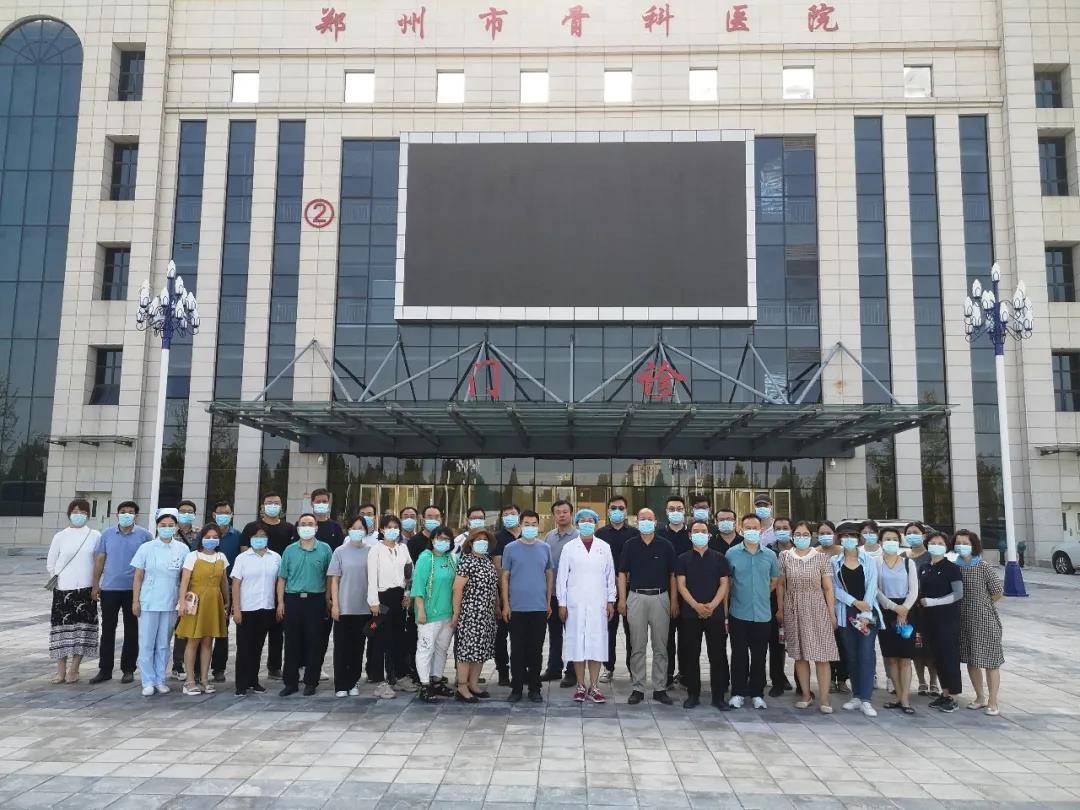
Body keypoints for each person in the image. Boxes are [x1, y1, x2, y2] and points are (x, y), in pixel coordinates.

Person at [617, 507, 676, 705]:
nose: (646, 522)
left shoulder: (665, 545)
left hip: (661, 597)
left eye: (649, 518)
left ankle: (660, 688)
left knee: (661, 646)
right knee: (637, 645)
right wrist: (623, 600)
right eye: (642, 518)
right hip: (636, 597)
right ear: (636, 521)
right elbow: (622, 573)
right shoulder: (630, 545)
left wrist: (674, 600)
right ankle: (638, 688)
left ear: (655, 520)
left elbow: (672, 575)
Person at [89, 500, 152, 684]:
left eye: (130, 512)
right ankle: (105, 669)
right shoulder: (107, 534)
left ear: (136, 515)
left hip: (133, 591)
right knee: (107, 629)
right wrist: (95, 584)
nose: (126, 514)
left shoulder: (145, 536)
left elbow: (149, 563)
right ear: (117, 514)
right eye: (123, 511)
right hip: (109, 589)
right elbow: (100, 560)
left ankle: (128, 669)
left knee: (132, 630)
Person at [557, 509, 616, 704]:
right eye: (583, 520)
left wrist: (610, 601)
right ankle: (581, 685)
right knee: (577, 643)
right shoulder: (569, 548)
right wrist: (562, 603)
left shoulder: (604, 547)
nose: (587, 523)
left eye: (591, 520)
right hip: (575, 603)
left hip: (598, 603)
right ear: (577, 523)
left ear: (597, 523)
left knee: (596, 643)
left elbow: (610, 576)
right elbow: (562, 578)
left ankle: (594, 686)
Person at [777, 520, 837, 713]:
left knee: (821, 656)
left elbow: (828, 587)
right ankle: (805, 694)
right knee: (800, 655)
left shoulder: (820, 557)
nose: (801, 538)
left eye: (805, 534)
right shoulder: (785, 556)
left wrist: (831, 612)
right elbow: (780, 584)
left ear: (811, 536)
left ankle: (825, 699)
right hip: (793, 607)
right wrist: (781, 607)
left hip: (817, 607)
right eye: (798, 534)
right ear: (792, 536)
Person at [725, 513, 780, 709]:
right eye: (747, 527)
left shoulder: (770, 555)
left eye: (755, 527)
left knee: (759, 655)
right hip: (739, 613)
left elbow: (775, 580)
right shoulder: (732, 554)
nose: (751, 531)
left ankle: (757, 692)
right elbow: (727, 583)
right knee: (739, 655)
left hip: (763, 614)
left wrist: (761, 592)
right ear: (741, 529)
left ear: (761, 530)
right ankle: (738, 692)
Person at [675, 519, 731, 710]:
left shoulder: (720, 558)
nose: (700, 534)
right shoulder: (682, 558)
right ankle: (693, 694)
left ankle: (718, 696)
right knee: (692, 654)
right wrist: (696, 606)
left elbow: (724, 583)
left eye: (703, 531)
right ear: (690, 535)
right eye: (696, 531)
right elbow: (681, 585)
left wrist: (713, 605)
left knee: (718, 655)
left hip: (714, 614)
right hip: (690, 614)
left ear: (709, 535)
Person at [131, 511, 188, 696]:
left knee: (164, 643)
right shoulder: (146, 548)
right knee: (147, 643)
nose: (167, 528)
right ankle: (147, 681)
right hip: (148, 602)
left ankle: (160, 679)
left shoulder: (182, 549)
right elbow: (138, 577)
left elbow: (184, 578)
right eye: (163, 525)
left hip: (170, 603)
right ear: (157, 526)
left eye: (171, 525)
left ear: (176, 527)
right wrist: (135, 600)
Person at [276, 513, 332, 696]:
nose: (307, 527)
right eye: (303, 524)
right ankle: (290, 682)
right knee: (292, 643)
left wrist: (329, 599)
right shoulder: (290, 550)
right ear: (298, 527)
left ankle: (311, 681)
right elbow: (282, 578)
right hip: (293, 600)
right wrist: (280, 602)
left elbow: (329, 577)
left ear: (316, 527)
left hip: (316, 600)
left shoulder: (325, 549)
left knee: (315, 642)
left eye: (310, 524)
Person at [46, 498, 101, 684]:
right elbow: (51, 562)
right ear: (69, 513)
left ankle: (74, 669)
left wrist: (96, 584)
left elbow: (99, 561)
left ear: (88, 514)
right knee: (61, 631)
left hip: (86, 590)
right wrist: (58, 579)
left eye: (83, 512)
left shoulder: (95, 535)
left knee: (83, 631)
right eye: (75, 512)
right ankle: (60, 671)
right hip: (63, 590)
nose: (79, 515)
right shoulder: (60, 536)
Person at [500, 510, 553, 703]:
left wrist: (548, 602)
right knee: (517, 650)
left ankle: (534, 688)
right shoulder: (511, 548)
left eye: (533, 524)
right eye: (526, 524)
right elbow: (505, 577)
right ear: (520, 525)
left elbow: (549, 575)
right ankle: (516, 688)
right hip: (517, 608)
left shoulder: (545, 548)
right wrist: (506, 604)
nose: (530, 527)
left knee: (535, 650)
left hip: (539, 608)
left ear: (538, 526)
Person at [241, 492, 294, 680]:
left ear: (282, 505)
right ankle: (248, 670)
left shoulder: (288, 528)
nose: (273, 505)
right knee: (253, 633)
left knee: (278, 629)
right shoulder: (253, 527)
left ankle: (274, 666)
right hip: (255, 586)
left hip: (280, 583)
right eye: (269, 502)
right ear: (262, 506)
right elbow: (244, 552)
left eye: (276, 502)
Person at [831, 530, 884, 717]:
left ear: (858, 540)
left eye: (852, 537)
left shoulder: (868, 560)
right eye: (844, 537)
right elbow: (834, 588)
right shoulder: (834, 561)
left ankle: (867, 699)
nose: (848, 540)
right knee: (851, 655)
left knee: (866, 654)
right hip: (846, 612)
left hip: (867, 613)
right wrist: (854, 602)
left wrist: (865, 611)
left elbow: (872, 585)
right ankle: (856, 695)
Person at [175, 524, 230, 695]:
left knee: (208, 641)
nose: (211, 540)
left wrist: (227, 603)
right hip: (196, 602)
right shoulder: (193, 556)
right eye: (208, 536)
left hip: (214, 602)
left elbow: (224, 582)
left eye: (215, 537)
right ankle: (190, 680)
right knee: (193, 641)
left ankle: (205, 679)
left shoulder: (221, 556)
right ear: (202, 538)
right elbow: (184, 581)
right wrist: (182, 603)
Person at [953, 529, 1004, 716]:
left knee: (991, 662)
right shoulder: (954, 566)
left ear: (974, 545)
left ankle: (993, 700)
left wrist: (983, 605)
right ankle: (980, 697)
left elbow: (998, 591)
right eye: (958, 542)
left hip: (985, 620)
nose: (962, 546)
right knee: (972, 660)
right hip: (963, 620)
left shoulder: (982, 566)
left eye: (966, 543)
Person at [367, 513, 414, 696]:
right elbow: (371, 577)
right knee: (381, 639)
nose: (392, 530)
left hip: (399, 597)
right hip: (382, 598)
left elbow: (410, 572)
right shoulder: (375, 550)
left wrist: (407, 594)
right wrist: (374, 602)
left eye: (396, 527)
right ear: (381, 530)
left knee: (398, 639)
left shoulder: (403, 549)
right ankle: (381, 682)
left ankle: (399, 677)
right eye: (389, 527)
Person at [231, 526, 280, 696]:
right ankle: (241, 684)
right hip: (246, 608)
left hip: (266, 607)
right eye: (256, 536)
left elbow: (279, 582)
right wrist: (236, 609)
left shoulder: (275, 557)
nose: (259, 538)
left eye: (263, 536)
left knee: (258, 647)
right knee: (244, 647)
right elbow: (236, 584)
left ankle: (253, 680)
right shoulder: (242, 558)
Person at [327, 516, 373, 697]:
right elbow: (334, 580)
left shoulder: (371, 551)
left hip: (364, 608)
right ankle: (340, 684)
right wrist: (335, 605)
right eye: (354, 527)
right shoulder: (340, 551)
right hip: (344, 607)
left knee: (358, 647)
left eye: (361, 528)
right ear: (348, 530)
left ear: (366, 530)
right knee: (341, 648)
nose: (357, 531)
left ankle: (353, 682)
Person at [411, 524, 458, 702]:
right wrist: (421, 610)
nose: (443, 542)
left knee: (442, 649)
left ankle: (437, 680)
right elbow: (418, 586)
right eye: (440, 538)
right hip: (429, 613)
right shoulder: (425, 558)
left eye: (447, 539)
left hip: (448, 613)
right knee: (425, 649)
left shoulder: (451, 559)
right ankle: (424, 685)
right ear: (432, 540)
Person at [452, 529, 499, 702]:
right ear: (470, 543)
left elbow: (493, 586)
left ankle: (473, 684)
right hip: (470, 614)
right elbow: (457, 589)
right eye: (478, 540)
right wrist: (456, 613)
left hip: (486, 615)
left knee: (480, 650)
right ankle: (462, 687)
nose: (482, 542)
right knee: (466, 651)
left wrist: (497, 606)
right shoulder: (466, 561)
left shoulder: (487, 561)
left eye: (485, 540)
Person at [595, 494, 639, 683]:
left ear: (626, 511)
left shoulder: (635, 533)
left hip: (630, 588)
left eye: (621, 508)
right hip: (607, 589)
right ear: (608, 510)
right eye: (613, 508)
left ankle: (632, 668)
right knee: (608, 630)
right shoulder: (600, 534)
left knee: (632, 631)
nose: (617, 511)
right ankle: (609, 667)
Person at [918, 531, 963, 712]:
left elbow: (958, 594)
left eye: (940, 543)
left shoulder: (951, 568)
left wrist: (935, 602)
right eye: (933, 542)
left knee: (949, 656)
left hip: (947, 618)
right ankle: (944, 694)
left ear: (946, 547)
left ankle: (952, 696)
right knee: (936, 657)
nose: (936, 545)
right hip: (929, 618)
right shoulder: (924, 567)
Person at [876, 527, 919, 715]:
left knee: (905, 658)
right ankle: (898, 696)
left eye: (894, 538)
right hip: (886, 612)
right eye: (887, 539)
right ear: (881, 542)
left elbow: (914, 590)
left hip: (907, 612)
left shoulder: (908, 563)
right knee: (891, 658)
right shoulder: (876, 563)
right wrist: (894, 608)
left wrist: (904, 609)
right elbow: (876, 590)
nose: (891, 542)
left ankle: (906, 700)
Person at [542, 499, 578, 686]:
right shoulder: (548, 537)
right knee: (554, 633)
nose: (562, 515)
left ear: (571, 514)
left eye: (565, 511)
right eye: (558, 512)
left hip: (573, 596)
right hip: (553, 594)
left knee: (572, 633)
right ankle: (554, 668)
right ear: (554, 515)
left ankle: (572, 672)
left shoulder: (579, 537)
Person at [208, 500, 242, 683]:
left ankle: (218, 668)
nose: (223, 516)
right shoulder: (206, 534)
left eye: (227, 513)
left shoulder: (237, 535)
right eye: (220, 513)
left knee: (222, 630)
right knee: (203, 629)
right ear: (214, 515)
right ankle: (198, 668)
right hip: (205, 588)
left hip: (228, 588)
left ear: (231, 515)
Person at [903, 521, 939, 697]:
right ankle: (921, 681)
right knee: (916, 647)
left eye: (915, 532)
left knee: (931, 647)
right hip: (911, 609)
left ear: (924, 535)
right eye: (908, 532)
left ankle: (933, 680)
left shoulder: (931, 556)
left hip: (929, 608)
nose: (912, 535)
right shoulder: (903, 556)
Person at [490, 503, 523, 687]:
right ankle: (503, 670)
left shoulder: (529, 535)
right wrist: (498, 600)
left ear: (519, 516)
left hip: (524, 595)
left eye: (513, 513)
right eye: (506, 514)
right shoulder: (497, 539)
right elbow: (498, 569)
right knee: (500, 636)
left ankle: (522, 671)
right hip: (504, 595)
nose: (510, 516)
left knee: (522, 637)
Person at [658, 495, 689, 690]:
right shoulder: (659, 535)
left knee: (687, 639)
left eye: (679, 508)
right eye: (672, 508)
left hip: (689, 596)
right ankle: (667, 676)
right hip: (665, 595)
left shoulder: (692, 535)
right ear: (666, 511)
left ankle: (685, 674)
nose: (675, 512)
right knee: (666, 638)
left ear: (685, 511)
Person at [817, 519, 848, 695]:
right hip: (820, 604)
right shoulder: (814, 553)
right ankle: (827, 680)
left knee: (842, 644)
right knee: (826, 644)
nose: (825, 536)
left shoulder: (843, 553)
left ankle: (842, 679)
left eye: (828, 532)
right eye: (821, 533)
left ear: (835, 535)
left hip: (842, 605)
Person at [767, 515, 794, 697]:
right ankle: (777, 680)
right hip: (775, 602)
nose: (782, 530)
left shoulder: (801, 549)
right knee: (776, 643)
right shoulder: (769, 551)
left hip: (799, 600)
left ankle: (802, 683)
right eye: (778, 528)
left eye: (786, 527)